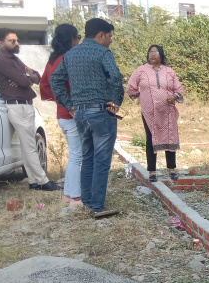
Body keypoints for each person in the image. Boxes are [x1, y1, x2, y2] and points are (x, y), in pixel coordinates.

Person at [50, 18, 123, 218]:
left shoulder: (70, 54)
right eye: (110, 36)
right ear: (101, 35)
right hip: (100, 112)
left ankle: (88, 201)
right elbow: (115, 77)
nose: (111, 40)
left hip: (80, 113)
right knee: (101, 160)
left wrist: (68, 104)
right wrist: (117, 101)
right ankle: (98, 206)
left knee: (88, 158)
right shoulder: (103, 52)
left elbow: (55, 80)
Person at [0, 28, 63, 191]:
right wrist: (25, 78)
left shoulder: (14, 59)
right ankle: (43, 181)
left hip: (25, 105)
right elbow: (24, 81)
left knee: (27, 145)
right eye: (12, 41)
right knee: (30, 145)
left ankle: (34, 181)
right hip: (17, 106)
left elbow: (37, 76)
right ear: (1, 43)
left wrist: (26, 77)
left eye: (17, 40)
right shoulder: (0, 60)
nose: (16, 43)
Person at [126, 45, 184, 182]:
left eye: (156, 52)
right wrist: (142, 96)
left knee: (170, 136)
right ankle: (152, 172)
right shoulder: (141, 70)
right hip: (149, 112)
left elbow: (179, 89)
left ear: (161, 55)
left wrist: (174, 96)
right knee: (151, 138)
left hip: (167, 111)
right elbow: (130, 87)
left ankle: (172, 169)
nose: (152, 54)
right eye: (150, 52)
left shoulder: (169, 71)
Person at [40, 24, 83, 206]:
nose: (79, 41)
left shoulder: (53, 60)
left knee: (75, 155)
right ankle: (75, 197)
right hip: (71, 114)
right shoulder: (68, 59)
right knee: (77, 156)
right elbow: (74, 85)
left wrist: (58, 100)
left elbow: (44, 85)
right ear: (72, 40)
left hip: (62, 114)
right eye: (78, 37)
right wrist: (68, 103)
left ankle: (68, 194)